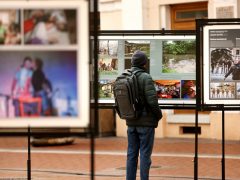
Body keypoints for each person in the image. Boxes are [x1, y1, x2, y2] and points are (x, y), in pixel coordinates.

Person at [126, 51, 162, 180]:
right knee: (145, 155)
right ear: (144, 63)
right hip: (146, 123)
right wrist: (159, 115)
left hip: (131, 121)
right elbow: (152, 101)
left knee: (131, 154)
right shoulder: (146, 77)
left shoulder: (125, 76)